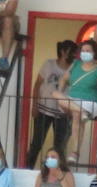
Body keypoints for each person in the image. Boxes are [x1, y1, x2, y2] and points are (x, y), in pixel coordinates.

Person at [54, 40, 97, 161]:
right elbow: (64, 79)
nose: (85, 53)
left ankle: (74, 152)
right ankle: (82, 112)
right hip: (73, 100)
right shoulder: (76, 64)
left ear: (95, 53)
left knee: (76, 114)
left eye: (88, 51)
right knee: (55, 93)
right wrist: (62, 91)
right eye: (83, 51)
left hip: (92, 102)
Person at [26, 40, 76, 168]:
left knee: (60, 146)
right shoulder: (49, 64)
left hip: (64, 113)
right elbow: (37, 85)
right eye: (72, 52)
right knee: (37, 143)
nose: (75, 55)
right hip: (43, 110)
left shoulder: (75, 67)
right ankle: (28, 168)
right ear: (63, 52)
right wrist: (34, 105)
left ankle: (56, 171)